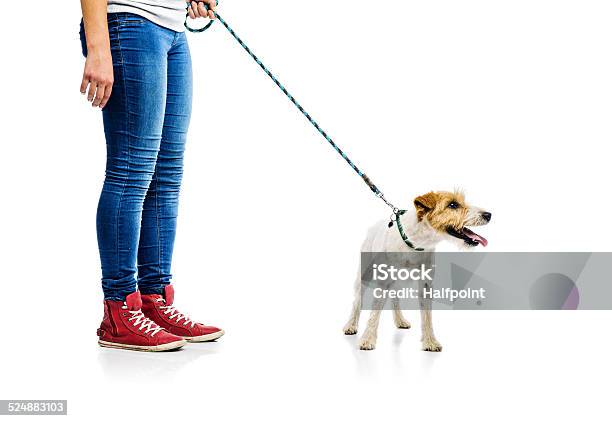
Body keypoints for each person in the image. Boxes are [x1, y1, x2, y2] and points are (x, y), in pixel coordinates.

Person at [79, 0, 223, 351]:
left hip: (171, 30)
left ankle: (152, 300)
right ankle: (119, 311)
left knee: (166, 173)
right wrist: (98, 48)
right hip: (129, 24)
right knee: (131, 169)